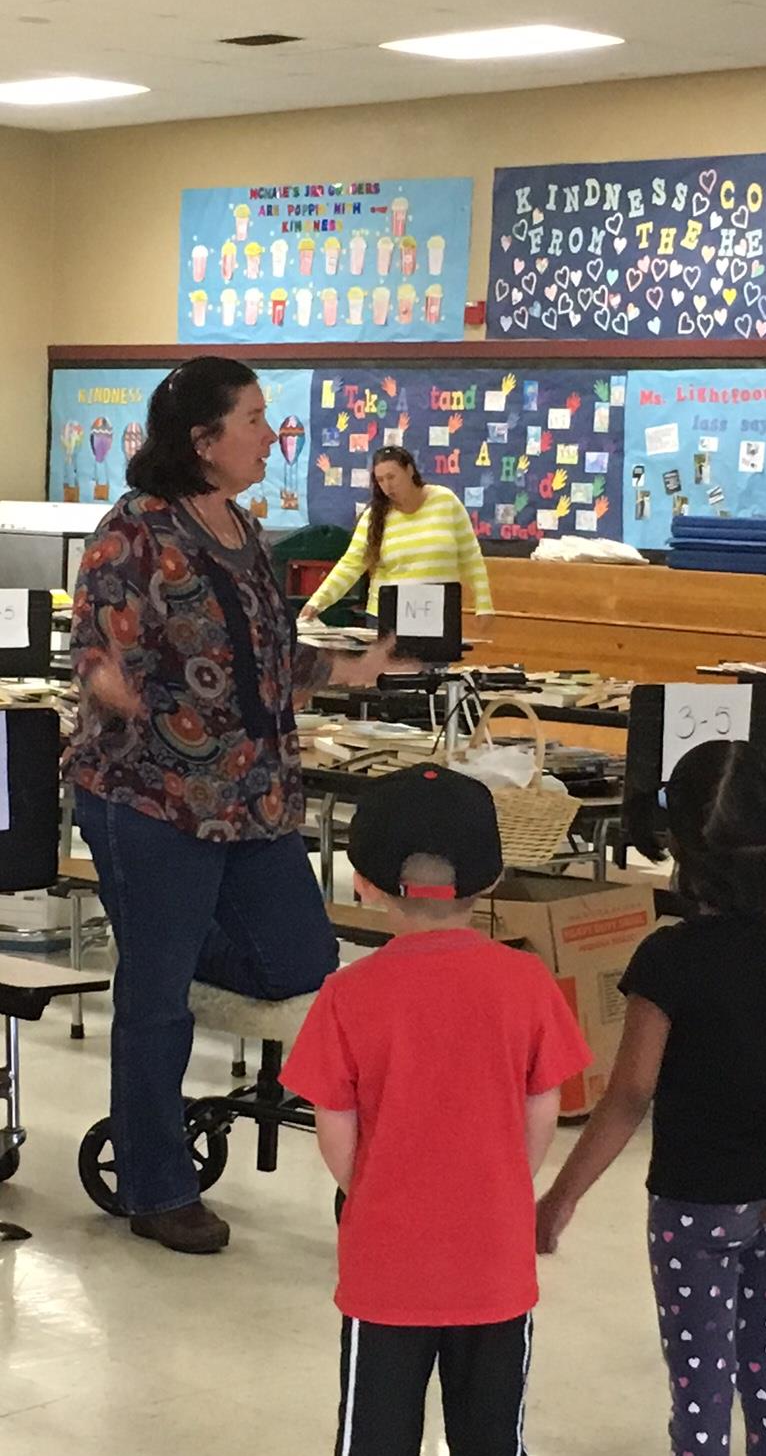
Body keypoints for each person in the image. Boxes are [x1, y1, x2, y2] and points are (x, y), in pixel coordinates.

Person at [65, 356, 402, 1254]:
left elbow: (266, 654)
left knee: (302, 959)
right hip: (152, 797)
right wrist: (108, 683)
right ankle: (156, 1187)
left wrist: (353, 668)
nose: (270, 434)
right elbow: (94, 648)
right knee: (155, 1003)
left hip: (252, 799)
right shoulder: (133, 532)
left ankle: (166, 942)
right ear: (203, 439)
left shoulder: (243, 529)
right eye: (253, 418)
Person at [536, 741, 766, 1456]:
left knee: (701, 1393)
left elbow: (630, 1094)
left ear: (675, 846)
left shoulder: (666, 958)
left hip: (692, 1206)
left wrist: (561, 1197)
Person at [281, 763, 591, 1456]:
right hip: (493, 1263)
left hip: (387, 1266)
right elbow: (543, 1107)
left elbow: (335, 1126)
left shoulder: (347, 994)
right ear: (492, 879)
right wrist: (505, 1182)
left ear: (364, 882)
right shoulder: (527, 983)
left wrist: (373, 1186)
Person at [300, 445, 493, 627]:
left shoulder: (445, 501)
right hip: (386, 616)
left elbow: (471, 556)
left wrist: (483, 603)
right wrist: (317, 603)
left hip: (438, 614)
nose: (387, 485)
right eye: (380, 480)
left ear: (409, 470)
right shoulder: (374, 516)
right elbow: (350, 565)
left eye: (392, 476)